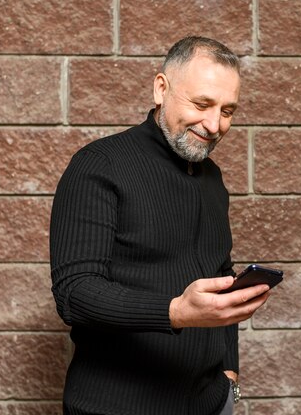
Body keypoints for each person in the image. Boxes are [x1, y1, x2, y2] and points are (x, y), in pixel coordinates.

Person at [50, 36, 271, 415]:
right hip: (114, 408)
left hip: (209, 404)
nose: (215, 124)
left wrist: (229, 379)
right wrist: (175, 311)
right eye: (202, 104)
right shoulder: (98, 165)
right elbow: (75, 294)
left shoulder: (212, 178)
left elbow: (221, 274)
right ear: (161, 88)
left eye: (228, 110)